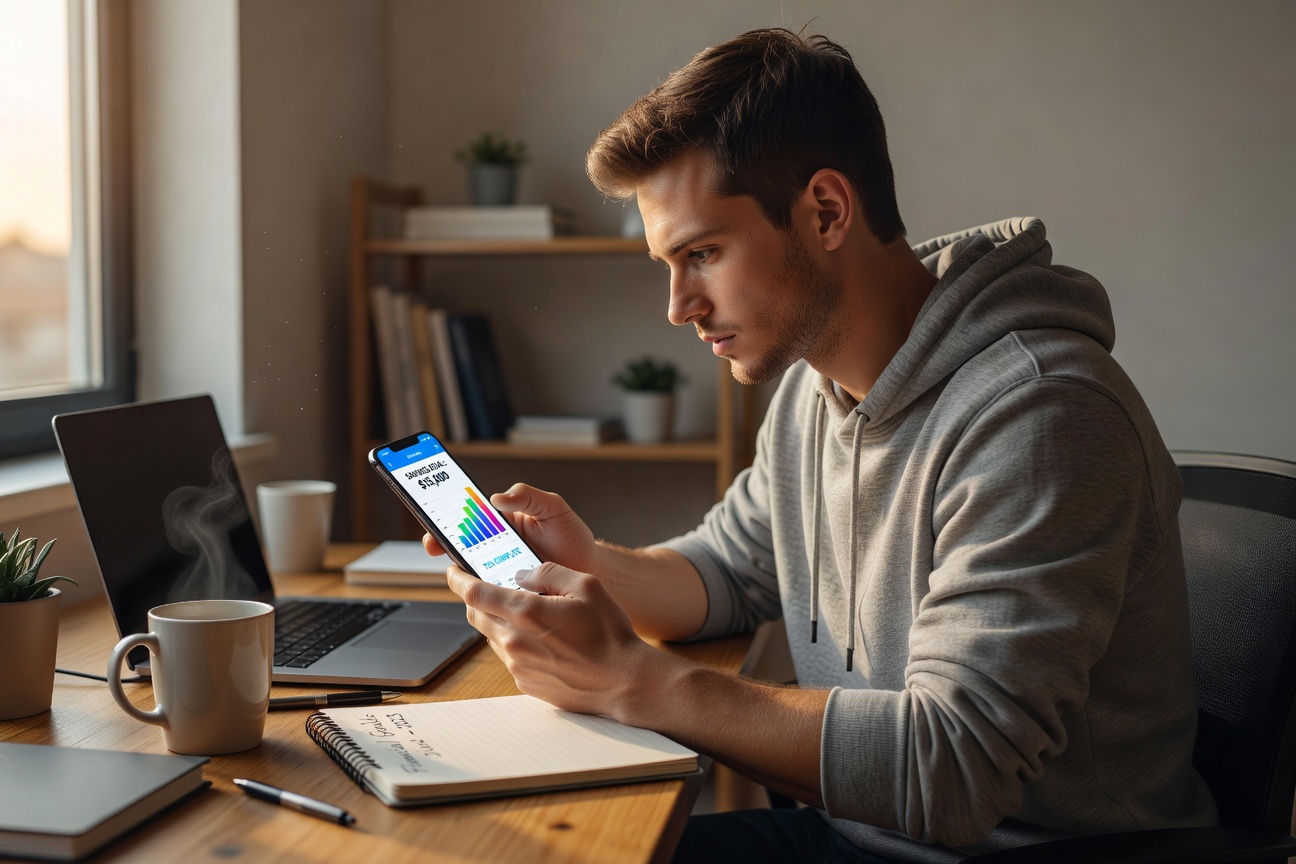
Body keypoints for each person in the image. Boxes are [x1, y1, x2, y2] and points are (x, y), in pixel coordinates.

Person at [423, 27, 1217, 863]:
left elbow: (955, 767)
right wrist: (588, 566)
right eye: (668, 263)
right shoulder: (814, 387)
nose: (678, 305)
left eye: (702, 253)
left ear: (827, 212)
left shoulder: (1040, 413)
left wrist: (636, 682)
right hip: (861, 835)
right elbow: (729, 571)